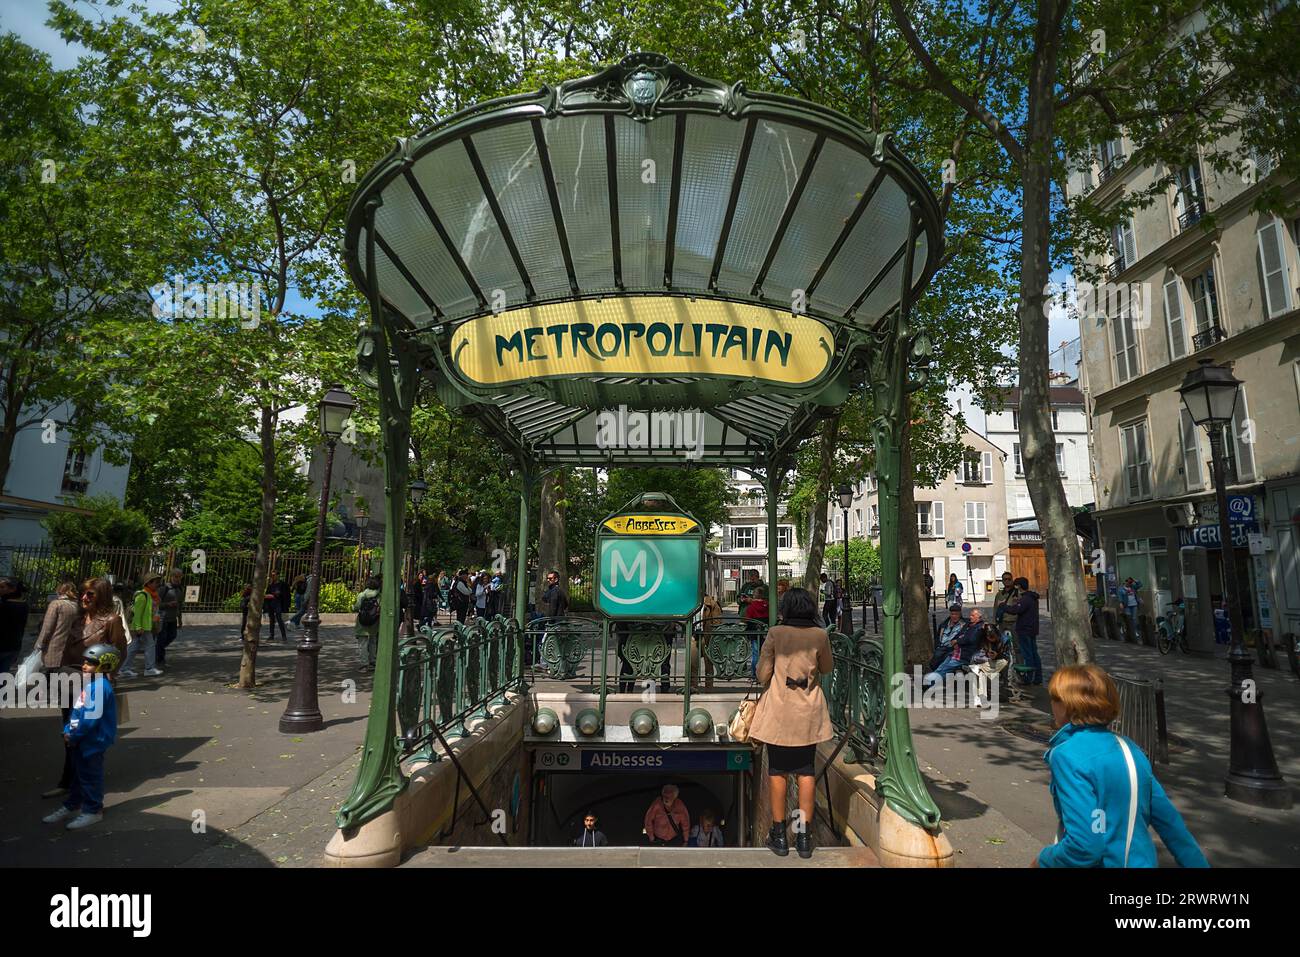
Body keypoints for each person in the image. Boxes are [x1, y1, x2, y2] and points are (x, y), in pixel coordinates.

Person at [1036, 665, 1207, 868]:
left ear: (1068, 705)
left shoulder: (1066, 755)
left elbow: (1084, 847)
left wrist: (1041, 861)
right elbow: (1171, 824)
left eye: (1055, 699)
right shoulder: (1129, 749)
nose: (1052, 705)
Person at [748, 587, 833, 859]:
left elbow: (762, 674)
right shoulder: (820, 635)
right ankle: (805, 838)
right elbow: (828, 667)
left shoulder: (776, 633)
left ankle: (778, 836)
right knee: (806, 771)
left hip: (780, 712)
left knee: (778, 771)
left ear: (786, 608)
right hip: (807, 712)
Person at [44, 579, 127, 801]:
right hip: (67, 678)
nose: (83, 598)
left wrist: (105, 679)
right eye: (82, 593)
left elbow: (119, 653)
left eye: (90, 594)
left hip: (91, 682)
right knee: (69, 732)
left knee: (86, 735)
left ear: (102, 596)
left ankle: (82, 786)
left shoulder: (112, 620)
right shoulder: (78, 619)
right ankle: (69, 781)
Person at [42, 642, 121, 831]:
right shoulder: (92, 683)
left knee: (90, 777)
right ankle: (72, 805)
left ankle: (93, 811)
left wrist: (73, 735)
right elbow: (78, 711)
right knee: (78, 776)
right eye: (85, 661)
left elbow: (89, 720)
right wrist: (68, 729)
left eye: (91, 663)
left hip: (92, 741)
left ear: (105, 665)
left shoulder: (101, 687)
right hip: (80, 739)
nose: (85, 665)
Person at [923, 611, 981, 689]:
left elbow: (970, 639)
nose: (970, 617)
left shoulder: (979, 628)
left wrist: (958, 641)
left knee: (944, 668)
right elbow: (959, 634)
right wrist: (955, 641)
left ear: (979, 617)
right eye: (970, 615)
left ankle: (929, 683)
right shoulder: (968, 625)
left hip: (964, 655)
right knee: (942, 666)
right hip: (957, 652)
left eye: (973, 615)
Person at [120, 573, 162, 678]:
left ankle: (124, 668)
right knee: (150, 646)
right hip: (142, 627)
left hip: (144, 627)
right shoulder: (142, 595)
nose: (158, 584)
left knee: (133, 647)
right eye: (156, 582)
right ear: (149, 583)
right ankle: (149, 668)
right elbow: (138, 613)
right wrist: (138, 627)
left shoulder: (149, 595)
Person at [37, 580, 80, 674]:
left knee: (49, 674)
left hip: (53, 646)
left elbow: (47, 628)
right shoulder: (76, 605)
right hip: (68, 646)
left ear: (59, 591)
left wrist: (39, 644)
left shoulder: (56, 604)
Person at [1007, 577, 1043, 685]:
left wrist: (1004, 606)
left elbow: (1016, 610)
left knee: (1028, 654)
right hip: (1032, 629)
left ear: (1019, 586)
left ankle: (1029, 677)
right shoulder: (1032, 598)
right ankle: (1037, 677)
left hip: (1025, 629)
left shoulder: (1025, 599)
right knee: (1033, 653)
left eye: (1016, 586)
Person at [969, 622, 1009, 707]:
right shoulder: (983, 640)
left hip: (999, 662)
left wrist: (997, 655)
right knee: (979, 671)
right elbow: (976, 656)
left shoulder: (1004, 640)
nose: (991, 640)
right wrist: (988, 656)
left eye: (993, 638)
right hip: (986, 663)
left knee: (982, 670)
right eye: (989, 637)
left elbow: (1007, 657)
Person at [0, 577, 31, 674]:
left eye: (2, 587)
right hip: (14, 646)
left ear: (12, 589)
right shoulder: (24, 605)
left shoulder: (4, 605)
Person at [155, 568, 184, 666]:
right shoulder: (164, 588)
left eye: (179, 577)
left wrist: (180, 619)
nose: (177, 579)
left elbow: (180, 606)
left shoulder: (180, 589)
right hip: (163, 618)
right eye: (176, 576)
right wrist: (168, 604)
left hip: (173, 618)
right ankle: (160, 658)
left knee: (172, 635)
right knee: (162, 638)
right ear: (171, 576)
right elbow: (156, 604)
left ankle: (157, 650)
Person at [353, 575, 381, 671]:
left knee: (362, 643)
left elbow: (356, 607)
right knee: (373, 641)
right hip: (374, 622)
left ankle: (364, 664)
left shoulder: (362, 595)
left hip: (362, 622)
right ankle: (373, 661)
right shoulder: (379, 596)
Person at [265, 570, 289, 642]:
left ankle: (284, 636)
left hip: (278, 604)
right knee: (271, 620)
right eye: (272, 575)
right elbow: (267, 593)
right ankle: (271, 635)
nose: (273, 577)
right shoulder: (271, 585)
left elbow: (282, 594)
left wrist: (274, 595)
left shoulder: (282, 584)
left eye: (274, 575)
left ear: (278, 575)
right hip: (271, 603)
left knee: (279, 619)